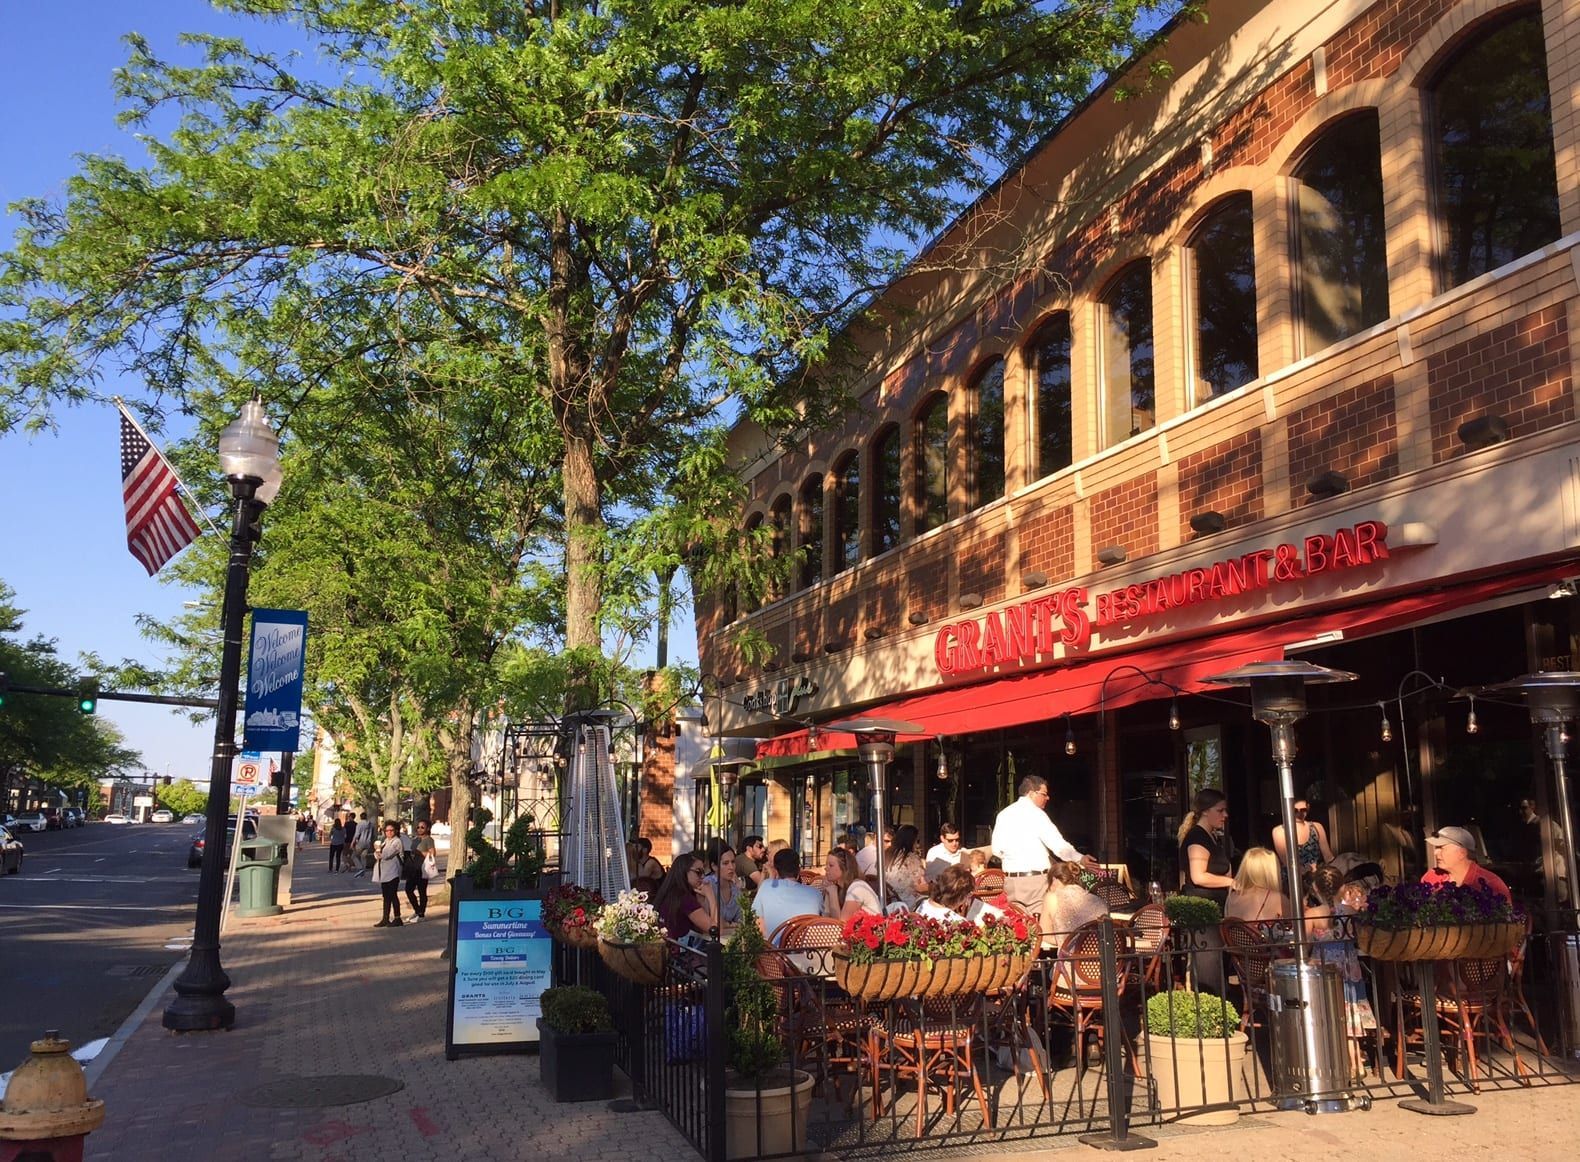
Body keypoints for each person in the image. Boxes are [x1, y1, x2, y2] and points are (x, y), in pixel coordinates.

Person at [991, 775, 1098, 920]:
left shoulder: (1003, 815)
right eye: (1044, 794)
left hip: (1011, 881)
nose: (1047, 798)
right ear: (1031, 793)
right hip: (1035, 881)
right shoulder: (1036, 814)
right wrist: (1080, 858)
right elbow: (1058, 845)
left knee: (1017, 926)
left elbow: (997, 850)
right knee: (1041, 925)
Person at [1420, 825, 1512, 901]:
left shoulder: (1492, 884)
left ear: (1462, 853)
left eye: (1441, 847)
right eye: (1436, 848)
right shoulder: (1431, 877)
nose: (1435, 853)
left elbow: (1507, 921)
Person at [754, 849, 826, 944]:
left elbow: (757, 923)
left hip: (775, 955)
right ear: (798, 870)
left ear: (776, 871)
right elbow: (825, 922)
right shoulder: (815, 893)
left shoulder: (766, 886)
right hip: (808, 951)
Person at [1178, 788, 1234, 910]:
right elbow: (1198, 877)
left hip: (1214, 908)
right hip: (1201, 912)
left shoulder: (1213, 837)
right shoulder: (1197, 837)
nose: (1225, 815)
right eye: (1220, 810)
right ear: (1205, 811)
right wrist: (1232, 882)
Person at [1041, 860, 1108, 950]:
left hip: (1072, 960)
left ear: (1054, 880)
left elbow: (1045, 934)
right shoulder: (1097, 900)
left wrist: (1067, 940)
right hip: (1100, 960)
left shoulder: (1051, 897)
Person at [653, 852, 716, 946]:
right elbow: (714, 930)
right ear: (684, 871)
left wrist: (702, 900)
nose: (703, 877)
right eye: (698, 872)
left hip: (664, 950)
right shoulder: (685, 898)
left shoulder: (670, 893)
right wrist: (711, 896)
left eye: (704, 872)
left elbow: (703, 927)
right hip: (679, 954)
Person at [1225, 846, 1289, 924]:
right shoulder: (1276, 898)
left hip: (1234, 936)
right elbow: (1300, 920)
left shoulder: (1231, 897)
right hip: (1262, 936)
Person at [1271, 798, 1335, 876]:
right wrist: (1309, 869)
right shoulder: (1279, 831)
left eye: (1303, 810)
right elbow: (1288, 862)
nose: (1299, 813)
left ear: (1308, 807)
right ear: (1287, 808)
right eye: (1295, 810)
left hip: (1318, 877)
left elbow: (1328, 857)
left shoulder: (1316, 827)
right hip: (1292, 879)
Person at [820, 847, 881, 922]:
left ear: (844, 868)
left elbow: (840, 925)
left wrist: (832, 892)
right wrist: (828, 893)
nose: (826, 868)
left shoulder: (857, 888)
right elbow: (825, 918)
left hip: (871, 930)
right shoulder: (839, 888)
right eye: (826, 865)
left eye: (831, 865)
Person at [883, 824, 928, 908]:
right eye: (916, 841)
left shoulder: (885, 855)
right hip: (907, 902)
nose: (918, 845)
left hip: (888, 900)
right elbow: (920, 886)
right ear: (911, 841)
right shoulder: (911, 858)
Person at [701, 839, 743, 930]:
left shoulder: (735, 888)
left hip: (729, 938)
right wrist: (730, 924)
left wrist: (728, 924)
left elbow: (741, 921)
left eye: (733, 862)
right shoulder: (707, 885)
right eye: (725, 863)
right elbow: (708, 921)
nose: (731, 867)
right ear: (714, 866)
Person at [373, 821, 405, 927]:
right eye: (387, 830)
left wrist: (378, 851)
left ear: (396, 830)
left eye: (391, 830)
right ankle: (385, 918)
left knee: (392, 895)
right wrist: (378, 851)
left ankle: (397, 918)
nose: (389, 832)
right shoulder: (385, 841)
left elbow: (386, 854)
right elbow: (377, 855)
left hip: (393, 872)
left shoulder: (397, 842)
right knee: (386, 896)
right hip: (384, 873)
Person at [405, 820, 435, 920]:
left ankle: (421, 912)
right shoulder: (415, 839)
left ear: (427, 829)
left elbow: (432, 854)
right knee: (408, 889)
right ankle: (417, 910)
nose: (420, 829)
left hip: (423, 868)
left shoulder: (428, 840)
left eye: (422, 827)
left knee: (422, 891)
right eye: (418, 827)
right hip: (413, 867)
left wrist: (420, 853)